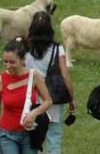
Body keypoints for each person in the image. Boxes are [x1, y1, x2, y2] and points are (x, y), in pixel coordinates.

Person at [0, 38, 53, 154]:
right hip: (6, 134)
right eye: (5, 61)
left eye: (12, 62)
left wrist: (34, 113)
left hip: (29, 134)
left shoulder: (34, 76)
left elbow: (48, 101)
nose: (8, 66)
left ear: (23, 59)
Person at [25, 11, 76, 154]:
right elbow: (65, 75)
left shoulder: (25, 48)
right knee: (54, 138)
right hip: (53, 98)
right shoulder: (57, 49)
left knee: (33, 140)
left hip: (31, 97)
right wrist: (72, 98)